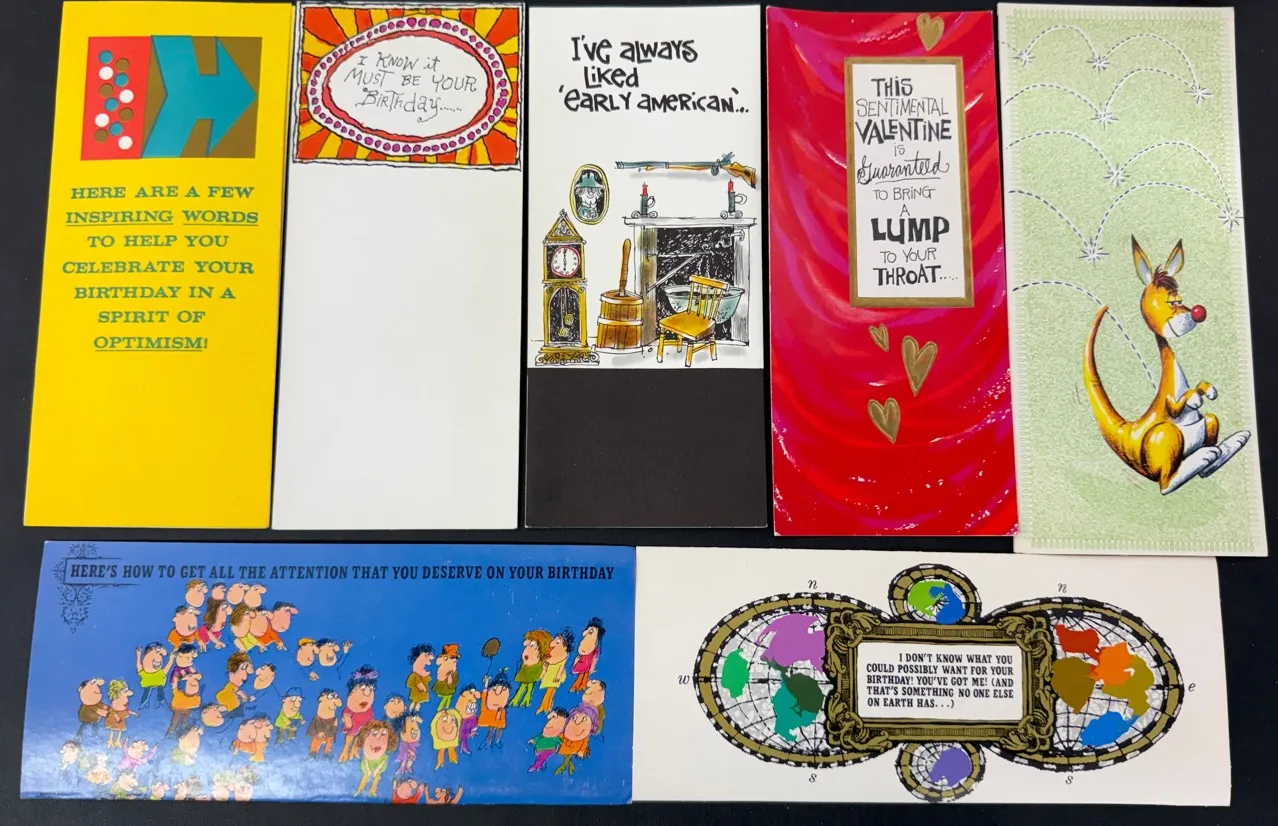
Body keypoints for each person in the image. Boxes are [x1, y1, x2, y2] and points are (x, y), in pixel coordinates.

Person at [569, 618, 605, 693]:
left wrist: (592, 667)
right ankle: (576, 687)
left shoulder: (594, 649)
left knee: (585, 676)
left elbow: (595, 659)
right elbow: (584, 634)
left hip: (588, 665)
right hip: (583, 662)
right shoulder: (586, 640)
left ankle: (581, 687)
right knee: (580, 676)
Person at [528, 707, 567, 772]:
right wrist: (533, 740)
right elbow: (538, 737)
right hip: (540, 748)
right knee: (540, 758)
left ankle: (537, 766)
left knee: (541, 758)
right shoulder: (544, 734)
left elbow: (561, 742)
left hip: (548, 749)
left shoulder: (555, 737)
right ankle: (538, 766)